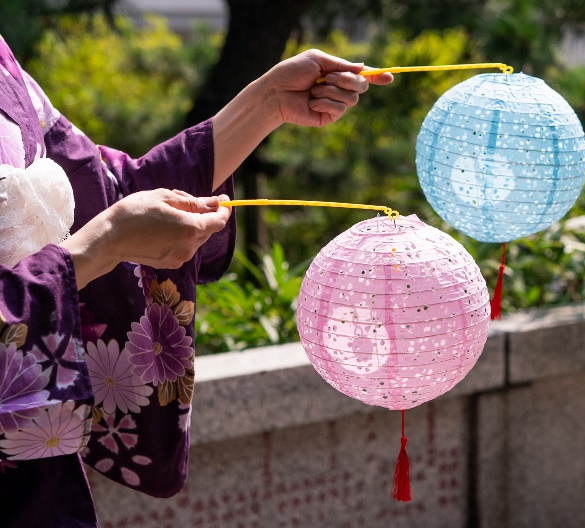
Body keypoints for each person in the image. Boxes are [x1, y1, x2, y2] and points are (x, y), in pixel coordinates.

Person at [0, 33, 393, 527]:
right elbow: (104, 229)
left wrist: (268, 102)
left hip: (42, 490)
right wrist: (103, 247)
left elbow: (101, 193)